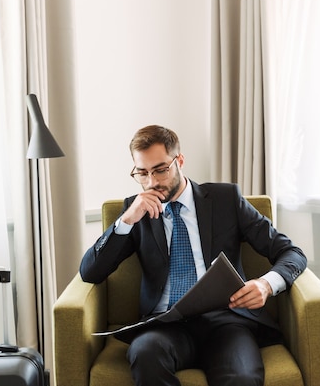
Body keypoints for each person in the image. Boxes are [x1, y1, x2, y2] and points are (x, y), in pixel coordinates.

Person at [80, 125, 307, 386]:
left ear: (180, 161)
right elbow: (90, 271)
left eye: (161, 169)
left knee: (242, 377)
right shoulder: (135, 212)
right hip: (165, 325)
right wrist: (127, 219)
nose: (152, 182)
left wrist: (266, 284)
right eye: (142, 173)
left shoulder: (225, 200)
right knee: (145, 354)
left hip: (227, 321)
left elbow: (291, 252)